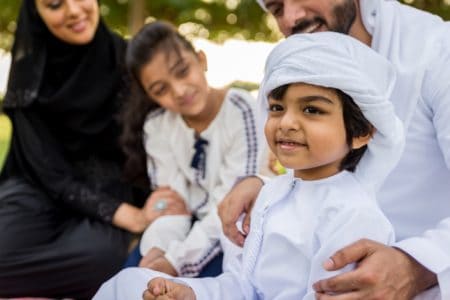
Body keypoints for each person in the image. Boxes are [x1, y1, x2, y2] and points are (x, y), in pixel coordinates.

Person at [93, 31, 407, 300]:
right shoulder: (269, 196)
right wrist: (192, 292)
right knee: (128, 283)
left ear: (362, 131)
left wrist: (179, 264)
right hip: (194, 242)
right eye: (277, 107)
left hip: (206, 239)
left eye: (311, 109)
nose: (287, 122)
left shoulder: (354, 215)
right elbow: (243, 285)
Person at [219, 0, 450, 298]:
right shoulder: (299, 62)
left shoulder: (439, 49)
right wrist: (266, 188)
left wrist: (416, 265)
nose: (291, 19)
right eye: (276, 8)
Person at [0, 1, 186, 298]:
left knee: (101, 260)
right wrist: (131, 217)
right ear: (38, 14)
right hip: (39, 187)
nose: (73, 10)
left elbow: (178, 112)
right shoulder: (31, 72)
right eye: (54, 4)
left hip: (108, 187)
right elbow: (45, 168)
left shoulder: (128, 62)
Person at [120, 21, 261, 278]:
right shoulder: (158, 126)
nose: (179, 91)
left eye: (183, 71)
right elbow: (173, 204)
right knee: (134, 275)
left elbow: (231, 208)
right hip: (183, 229)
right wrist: (158, 249)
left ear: (201, 60)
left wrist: (175, 261)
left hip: (237, 229)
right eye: (161, 89)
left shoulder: (240, 110)